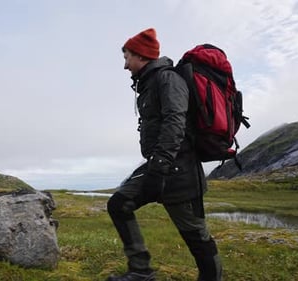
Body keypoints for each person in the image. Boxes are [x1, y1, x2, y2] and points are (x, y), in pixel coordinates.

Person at [106, 28, 222, 281]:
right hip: (158, 165)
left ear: (141, 56)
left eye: (127, 58)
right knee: (119, 203)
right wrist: (155, 167)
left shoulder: (168, 79)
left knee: (195, 234)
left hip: (179, 170)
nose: (125, 66)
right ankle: (141, 271)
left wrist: (159, 166)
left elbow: (175, 121)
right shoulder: (149, 84)